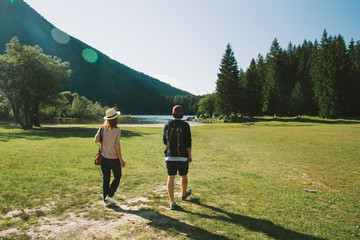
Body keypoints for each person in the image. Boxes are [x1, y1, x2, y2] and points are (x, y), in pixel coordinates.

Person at [94, 108, 126, 207]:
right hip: (114, 159)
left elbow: (96, 140)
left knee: (106, 178)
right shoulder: (117, 130)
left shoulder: (102, 128)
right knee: (117, 176)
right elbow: (117, 146)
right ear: (115, 119)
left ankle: (105, 201)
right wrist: (121, 159)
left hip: (103, 158)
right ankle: (110, 195)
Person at [163, 105, 192, 210]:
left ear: (172, 113)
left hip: (170, 156)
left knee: (171, 177)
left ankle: (172, 202)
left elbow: (164, 141)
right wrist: (189, 155)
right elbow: (188, 142)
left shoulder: (167, 124)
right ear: (182, 114)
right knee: (183, 176)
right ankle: (184, 194)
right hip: (183, 157)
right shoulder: (185, 125)